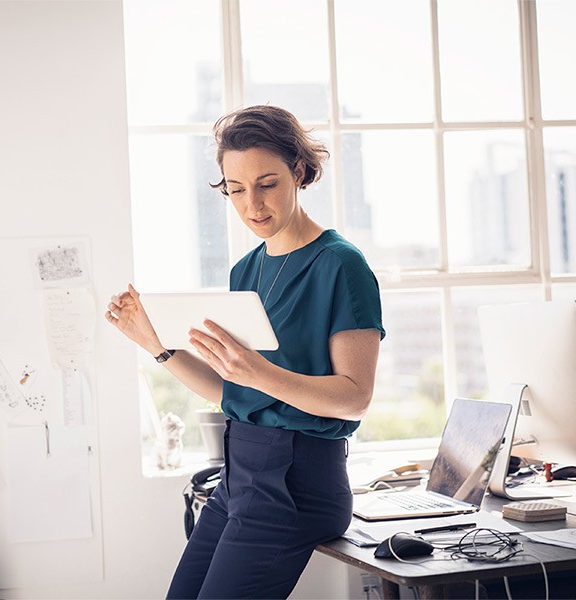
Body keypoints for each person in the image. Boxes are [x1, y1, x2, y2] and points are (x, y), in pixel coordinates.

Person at [106, 104, 385, 599]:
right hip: (239, 480)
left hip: (298, 486)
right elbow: (230, 391)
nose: (251, 204)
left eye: (267, 183)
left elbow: (354, 397)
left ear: (299, 172)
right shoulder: (245, 272)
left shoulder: (340, 265)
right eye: (235, 189)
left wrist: (259, 373)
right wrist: (155, 345)